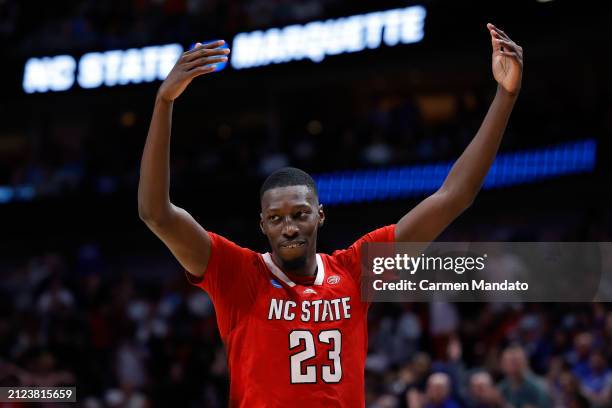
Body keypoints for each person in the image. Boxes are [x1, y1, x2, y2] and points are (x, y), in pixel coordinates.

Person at [138, 23, 524, 407]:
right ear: (262, 225)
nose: (289, 227)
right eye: (276, 219)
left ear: (319, 216)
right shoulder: (238, 275)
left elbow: (454, 196)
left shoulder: (356, 269)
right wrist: (163, 102)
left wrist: (504, 96)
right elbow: (156, 214)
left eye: (299, 214)